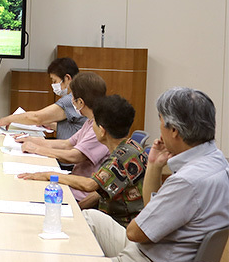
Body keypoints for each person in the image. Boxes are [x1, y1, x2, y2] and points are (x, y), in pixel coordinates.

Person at [83, 87, 229, 262]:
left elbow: (135, 232)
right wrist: (153, 165)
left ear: (174, 130)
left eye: (160, 122)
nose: (159, 131)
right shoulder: (218, 161)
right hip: (156, 255)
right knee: (90, 218)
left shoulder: (187, 181)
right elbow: (150, 210)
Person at [18, 94, 147, 224]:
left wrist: (49, 175)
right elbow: (100, 190)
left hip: (123, 224)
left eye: (94, 123)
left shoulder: (120, 157)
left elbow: (89, 185)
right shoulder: (131, 147)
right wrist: (77, 208)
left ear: (102, 131)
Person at [17, 71, 110, 203]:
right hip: (73, 184)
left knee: (26, 192)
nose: (71, 101)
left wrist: (37, 149)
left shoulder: (99, 127)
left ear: (80, 102)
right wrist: (31, 140)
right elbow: (67, 144)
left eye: (73, 97)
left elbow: (74, 156)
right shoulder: (90, 121)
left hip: (79, 193)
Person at [0, 57, 87, 139]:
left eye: (55, 81)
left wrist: (8, 119)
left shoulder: (71, 99)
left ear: (67, 78)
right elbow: (75, 127)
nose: (53, 85)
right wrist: (51, 125)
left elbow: (37, 118)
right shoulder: (81, 93)